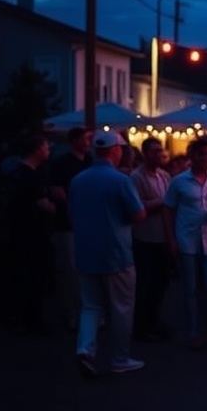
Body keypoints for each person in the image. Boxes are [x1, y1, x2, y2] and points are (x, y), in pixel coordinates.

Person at [68, 131, 146, 377]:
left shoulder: (78, 180)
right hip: (116, 253)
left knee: (91, 307)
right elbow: (138, 214)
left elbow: (72, 212)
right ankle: (119, 358)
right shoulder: (121, 180)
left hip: (85, 251)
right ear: (115, 150)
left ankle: (85, 350)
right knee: (121, 308)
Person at [165, 138, 207, 351]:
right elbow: (169, 210)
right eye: (201, 154)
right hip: (187, 240)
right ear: (193, 156)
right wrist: (171, 239)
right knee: (189, 289)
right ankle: (193, 332)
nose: (205, 159)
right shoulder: (179, 181)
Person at [7, 133, 56, 334]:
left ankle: (29, 316)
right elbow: (41, 203)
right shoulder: (26, 176)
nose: (48, 150)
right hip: (29, 234)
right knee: (32, 275)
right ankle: (31, 319)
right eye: (45, 146)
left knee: (34, 275)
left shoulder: (32, 172)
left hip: (33, 232)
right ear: (37, 149)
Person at [47, 126, 92, 332]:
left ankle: (86, 310)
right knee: (70, 270)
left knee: (87, 270)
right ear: (74, 140)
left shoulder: (90, 161)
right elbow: (56, 190)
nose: (88, 143)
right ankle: (70, 313)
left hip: (89, 224)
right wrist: (75, 207)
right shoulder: (62, 163)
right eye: (85, 139)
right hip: (68, 224)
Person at [130, 138, 173, 342]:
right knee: (145, 283)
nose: (159, 154)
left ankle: (154, 320)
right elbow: (137, 206)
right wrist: (161, 202)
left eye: (160, 150)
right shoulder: (136, 177)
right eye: (154, 151)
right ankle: (141, 324)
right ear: (145, 153)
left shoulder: (165, 176)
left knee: (160, 283)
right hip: (144, 237)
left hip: (162, 237)